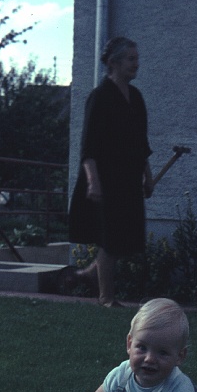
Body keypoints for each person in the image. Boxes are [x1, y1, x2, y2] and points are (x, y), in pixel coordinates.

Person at [66, 36, 154, 307]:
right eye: (131, 59)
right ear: (114, 62)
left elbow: (141, 143)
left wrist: (147, 175)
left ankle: (87, 275)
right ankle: (106, 297)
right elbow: (88, 147)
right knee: (111, 238)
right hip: (105, 179)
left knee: (124, 237)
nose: (136, 64)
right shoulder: (100, 97)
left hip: (128, 178)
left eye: (137, 59)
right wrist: (93, 183)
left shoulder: (136, 98)